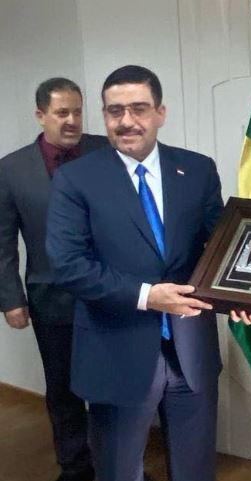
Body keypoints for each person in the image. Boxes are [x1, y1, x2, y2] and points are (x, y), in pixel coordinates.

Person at [45, 65, 224, 481]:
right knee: (119, 470)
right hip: (116, 351)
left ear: (160, 113)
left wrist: (243, 296)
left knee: (196, 468)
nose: (126, 121)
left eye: (139, 108)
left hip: (191, 348)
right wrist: (148, 295)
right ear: (104, 116)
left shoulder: (197, 169)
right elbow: (69, 265)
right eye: (115, 111)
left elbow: (219, 248)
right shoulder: (76, 179)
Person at [0, 77, 108, 481]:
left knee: (110, 385)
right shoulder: (11, 169)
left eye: (78, 111)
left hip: (109, 292)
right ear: (40, 115)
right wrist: (11, 298)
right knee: (63, 389)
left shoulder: (105, 151)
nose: (72, 120)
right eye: (62, 112)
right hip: (51, 298)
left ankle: (116, 465)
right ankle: (75, 468)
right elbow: (3, 240)